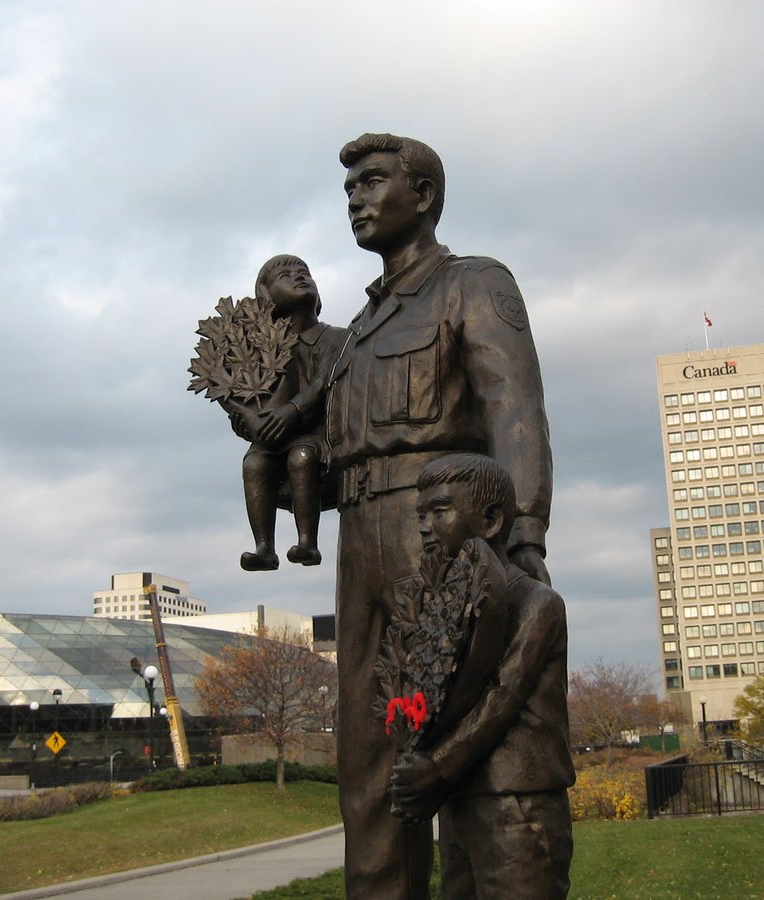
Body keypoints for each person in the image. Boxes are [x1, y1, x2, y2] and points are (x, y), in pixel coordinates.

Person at [326, 133, 553, 900]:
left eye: (372, 181)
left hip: (444, 534)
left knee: (453, 737)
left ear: (422, 195)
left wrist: (522, 537)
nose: (354, 196)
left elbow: (513, 411)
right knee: (366, 759)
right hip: (357, 540)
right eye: (349, 185)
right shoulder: (357, 330)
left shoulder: (473, 284)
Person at [390, 453, 574, 899]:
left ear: (491, 519)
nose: (425, 526)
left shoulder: (536, 604)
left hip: (518, 803)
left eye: (440, 511)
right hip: (460, 800)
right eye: (421, 515)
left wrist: (435, 767)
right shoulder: (442, 609)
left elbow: (501, 697)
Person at [234, 255, 345, 571]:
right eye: (286, 274)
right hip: (274, 436)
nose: (300, 277)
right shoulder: (262, 349)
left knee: (301, 458)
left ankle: (307, 543)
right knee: (254, 462)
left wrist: (291, 413)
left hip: (316, 433)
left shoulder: (334, 337)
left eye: (305, 272)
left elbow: (323, 384)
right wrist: (247, 422)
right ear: (266, 295)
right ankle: (264, 547)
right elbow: (251, 397)